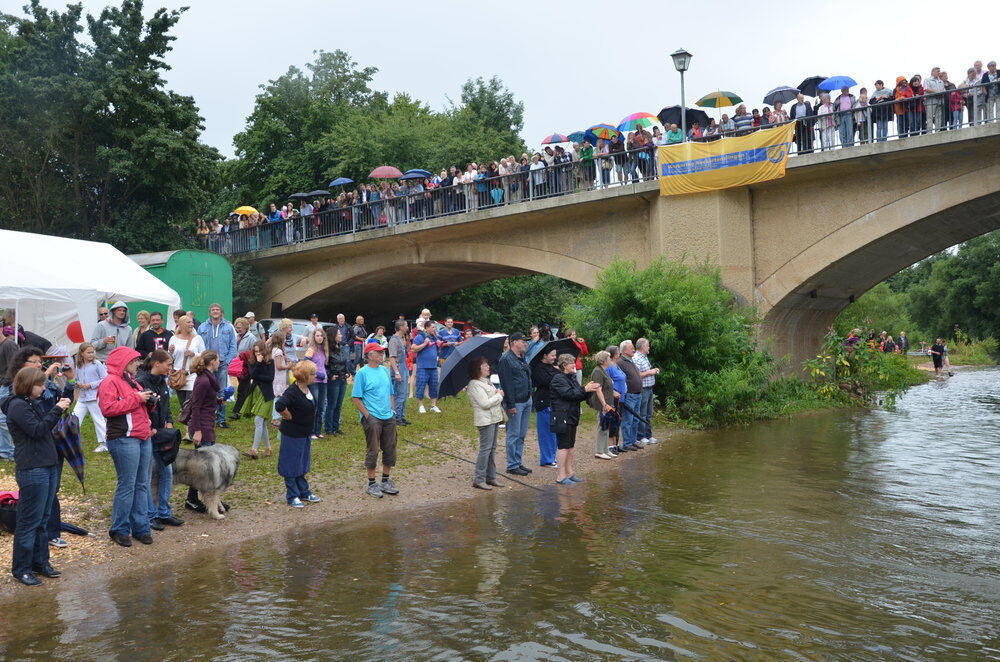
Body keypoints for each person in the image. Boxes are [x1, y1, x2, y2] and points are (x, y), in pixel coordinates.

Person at [2, 366, 71, 584]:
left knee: (43, 519)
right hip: (33, 468)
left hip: (46, 464)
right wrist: (57, 410)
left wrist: (62, 397)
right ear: (28, 385)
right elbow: (37, 430)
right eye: (40, 384)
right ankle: (21, 569)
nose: (43, 388)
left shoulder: (31, 402)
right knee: (28, 521)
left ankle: (40, 563)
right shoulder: (17, 406)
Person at [98, 347, 153, 547]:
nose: (138, 364)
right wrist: (137, 398)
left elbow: (137, 409)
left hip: (142, 436)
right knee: (127, 485)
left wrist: (150, 402)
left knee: (142, 484)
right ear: (123, 362)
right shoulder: (109, 382)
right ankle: (119, 529)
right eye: (134, 361)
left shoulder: (132, 381)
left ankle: (141, 528)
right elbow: (108, 409)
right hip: (123, 438)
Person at [137, 349, 183, 529]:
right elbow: (141, 410)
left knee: (167, 472)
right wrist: (151, 427)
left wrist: (169, 421)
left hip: (163, 434)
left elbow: (165, 405)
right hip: (148, 435)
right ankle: (151, 514)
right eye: (168, 364)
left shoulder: (163, 381)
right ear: (157, 364)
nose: (171, 367)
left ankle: (164, 513)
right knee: (147, 475)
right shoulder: (141, 382)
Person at [352, 342, 399, 499]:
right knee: (373, 449)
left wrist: (392, 411)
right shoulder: (362, 373)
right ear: (370, 355)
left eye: (382, 352)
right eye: (378, 353)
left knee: (390, 447)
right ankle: (371, 483)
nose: (381, 355)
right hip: (372, 417)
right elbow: (356, 398)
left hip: (388, 416)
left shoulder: (385, 370)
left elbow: (390, 393)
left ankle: (385, 480)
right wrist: (367, 416)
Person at [275, 360, 322, 508]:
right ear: (304, 376)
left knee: (302, 463)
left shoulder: (308, 389)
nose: (315, 376)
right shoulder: (293, 391)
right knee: (291, 464)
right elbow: (279, 404)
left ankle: (304, 491)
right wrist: (286, 414)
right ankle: (292, 495)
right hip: (292, 434)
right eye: (313, 374)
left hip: (305, 433)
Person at [550, 354, 600, 484]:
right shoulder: (558, 379)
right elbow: (569, 394)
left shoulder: (571, 377)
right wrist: (585, 389)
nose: (575, 365)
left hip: (572, 415)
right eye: (572, 363)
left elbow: (578, 395)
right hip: (562, 416)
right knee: (563, 446)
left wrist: (589, 390)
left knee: (571, 446)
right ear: (564, 366)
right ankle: (560, 476)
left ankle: (570, 473)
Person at [185, 350, 222, 513]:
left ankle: (210, 500)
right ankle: (192, 499)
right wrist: (198, 431)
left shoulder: (209, 379)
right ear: (212, 361)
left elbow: (206, 400)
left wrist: (218, 400)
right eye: (218, 360)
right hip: (202, 427)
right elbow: (196, 406)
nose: (219, 363)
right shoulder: (203, 381)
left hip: (208, 424)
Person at [466, 356, 505, 490]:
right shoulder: (474, 384)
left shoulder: (487, 381)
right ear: (478, 368)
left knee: (492, 449)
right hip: (485, 421)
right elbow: (484, 403)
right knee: (485, 450)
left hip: (494, 419)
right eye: (485, 365)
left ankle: (491, 477)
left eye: (487, 364)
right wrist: (499, 395)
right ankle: (479, 479)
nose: (488, 367)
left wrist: (497, 393)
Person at [497, 332, 532, 475]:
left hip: (527, 400)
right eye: (523, 341)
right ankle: (512, 465)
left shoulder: (522, 358)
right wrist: (510, 405)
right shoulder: (506, 359)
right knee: (513, 434)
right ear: (515, 342)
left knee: (522, 434)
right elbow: (507, 383)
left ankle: (518, 462)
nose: (526, 343)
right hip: (515, 402)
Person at [197, 303, 237, 429]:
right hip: (206, 364)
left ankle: (221, 419)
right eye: (213, 310)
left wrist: (228, 360)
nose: (215, 311)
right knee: (206, 390)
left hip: (222, 363)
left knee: (221, 391)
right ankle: (207, 417)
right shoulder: (202, 327)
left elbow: (233, 345)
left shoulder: (229, 327)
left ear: (221, 312)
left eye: (217, 310)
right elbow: (198, 343)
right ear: (209, 312)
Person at [167, 315, 204, 428]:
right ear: (181, 325)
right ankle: (188, 428)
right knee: (183, 405)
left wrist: (194, 354)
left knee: (190, 403)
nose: (191, 324)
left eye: (192, 322)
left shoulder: (197, 338)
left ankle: (191, 430)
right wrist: (170, 351)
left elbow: (204, 355)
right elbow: (170, 357)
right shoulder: (173, 338)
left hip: (192, 375)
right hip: (179, 375)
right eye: (188, 322)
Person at [71, 343, 108, 453]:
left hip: (94, 397)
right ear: (82, 353)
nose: (91, 354)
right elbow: (76, 378)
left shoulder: (97, 364)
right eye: (89, 352)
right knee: (74, 418)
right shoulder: (78, 365)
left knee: (98, 419)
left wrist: (91, 384)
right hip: (82, 397)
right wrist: (77, 382)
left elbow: (105, 379)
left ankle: (104, 444)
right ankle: (71, 441)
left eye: (92, 352)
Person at [242, 340, 274, 459]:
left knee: (258, 419)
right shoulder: (252, 362)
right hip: (256, 392)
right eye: (256, 352)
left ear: (264, 351)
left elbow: (270, 378)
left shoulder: (270, 362)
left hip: (267, 394)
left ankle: (254, 449)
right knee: (263, 423)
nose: (258, 354)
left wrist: (259, 369)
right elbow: (253, 375)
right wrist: (258, 364)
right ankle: (268, 448)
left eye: (260, 351)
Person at [530, 348, 560, 470]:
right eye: (552, 355)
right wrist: (559, 374)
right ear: (545, 355)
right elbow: (549, 382)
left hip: (554, 402)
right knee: (546, 432)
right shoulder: (538, 368)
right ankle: (547, 459)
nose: (555, 358)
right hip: (543, 403)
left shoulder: (552, 367)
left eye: (555, 355)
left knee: (555, 431)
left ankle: (552, 456)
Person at [589, 350, 617, 460]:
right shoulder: (597, 372)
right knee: (602, 426)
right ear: (604, 360)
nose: (610, 360)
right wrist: (604, 404)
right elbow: (598, 389)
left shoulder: (604, 370)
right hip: (602, 404)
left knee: (607, 426)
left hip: (609, 403)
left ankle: (605, 449)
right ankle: (599, 451)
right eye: (609, 358)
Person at [618, 340, 644, 451]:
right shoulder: (621, 362)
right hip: (630, 395)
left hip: (637, 394)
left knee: (635, 419)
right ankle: (627, 442)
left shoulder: (631, 360)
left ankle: (633, 441)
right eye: (631, 348)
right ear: (624, 350)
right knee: (627, 419)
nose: (634, 350)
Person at [324, 328, 351, 435]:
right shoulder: (327, 350)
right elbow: (324, 366)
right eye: (339, 334)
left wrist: (347, 371)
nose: (341, 335)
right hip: (334, 380)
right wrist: (330, 375)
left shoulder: (341, 348)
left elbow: (345, 362)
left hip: (342, 379)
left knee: (339, 405)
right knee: (332, 405)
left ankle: (336, 427)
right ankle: (329, 428)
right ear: (333, 336)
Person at [632, 338, 660, 444]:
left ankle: (649, 435)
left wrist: (653, 371)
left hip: (649, 388)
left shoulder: (644, 357)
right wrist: (650, 372)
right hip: (642, 389)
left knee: (649, 414)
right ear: (643, 346)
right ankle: (640, 436)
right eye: (648, 345)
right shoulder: (636, 358)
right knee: (642, 414)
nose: (649, 347)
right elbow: (637, 375)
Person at [304, 327, 329, 440]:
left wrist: (325, 374)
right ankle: (311, 431)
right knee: (315, 405)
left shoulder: (324, 349)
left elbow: (322, 365)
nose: (319, 338)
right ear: (314, 337)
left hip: (324, 381)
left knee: (321, 406)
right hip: (314, 381)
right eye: (317, 335)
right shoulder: (311, 349)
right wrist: (318, 374)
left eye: (321, 336)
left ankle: (318, 431)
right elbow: (306, 363)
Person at [412, 321, 441, 414]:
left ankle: (433, 405)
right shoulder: (420, 337)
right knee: (421, 386)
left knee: (434, 385)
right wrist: (424, 343)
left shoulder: (434, 338)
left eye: (435, 327)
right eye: (432, 327)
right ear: (427, 328)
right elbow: (413, 348)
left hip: (433, 366)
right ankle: (421, 406)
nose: (434, 329)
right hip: (422, 367)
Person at [0, 326, 19, 461]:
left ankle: (23, 445)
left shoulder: (9, 345)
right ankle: (5, 451)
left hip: (6, 386)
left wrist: (5, 383)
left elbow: (15, 367)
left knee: (3, 420)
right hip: (2, 385)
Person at [387, 320, 410, 426]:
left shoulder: (402, 339)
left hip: (404, 367)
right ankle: (396, 417)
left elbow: (406, 352)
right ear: (400, 327)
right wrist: (397, 372)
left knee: (404, 393)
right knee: (399, 394)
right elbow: (392, 358)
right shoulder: (393, 340)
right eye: (406, 326)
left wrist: (409, 341)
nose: (407, 327)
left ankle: (401, 416)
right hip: (398, 368)